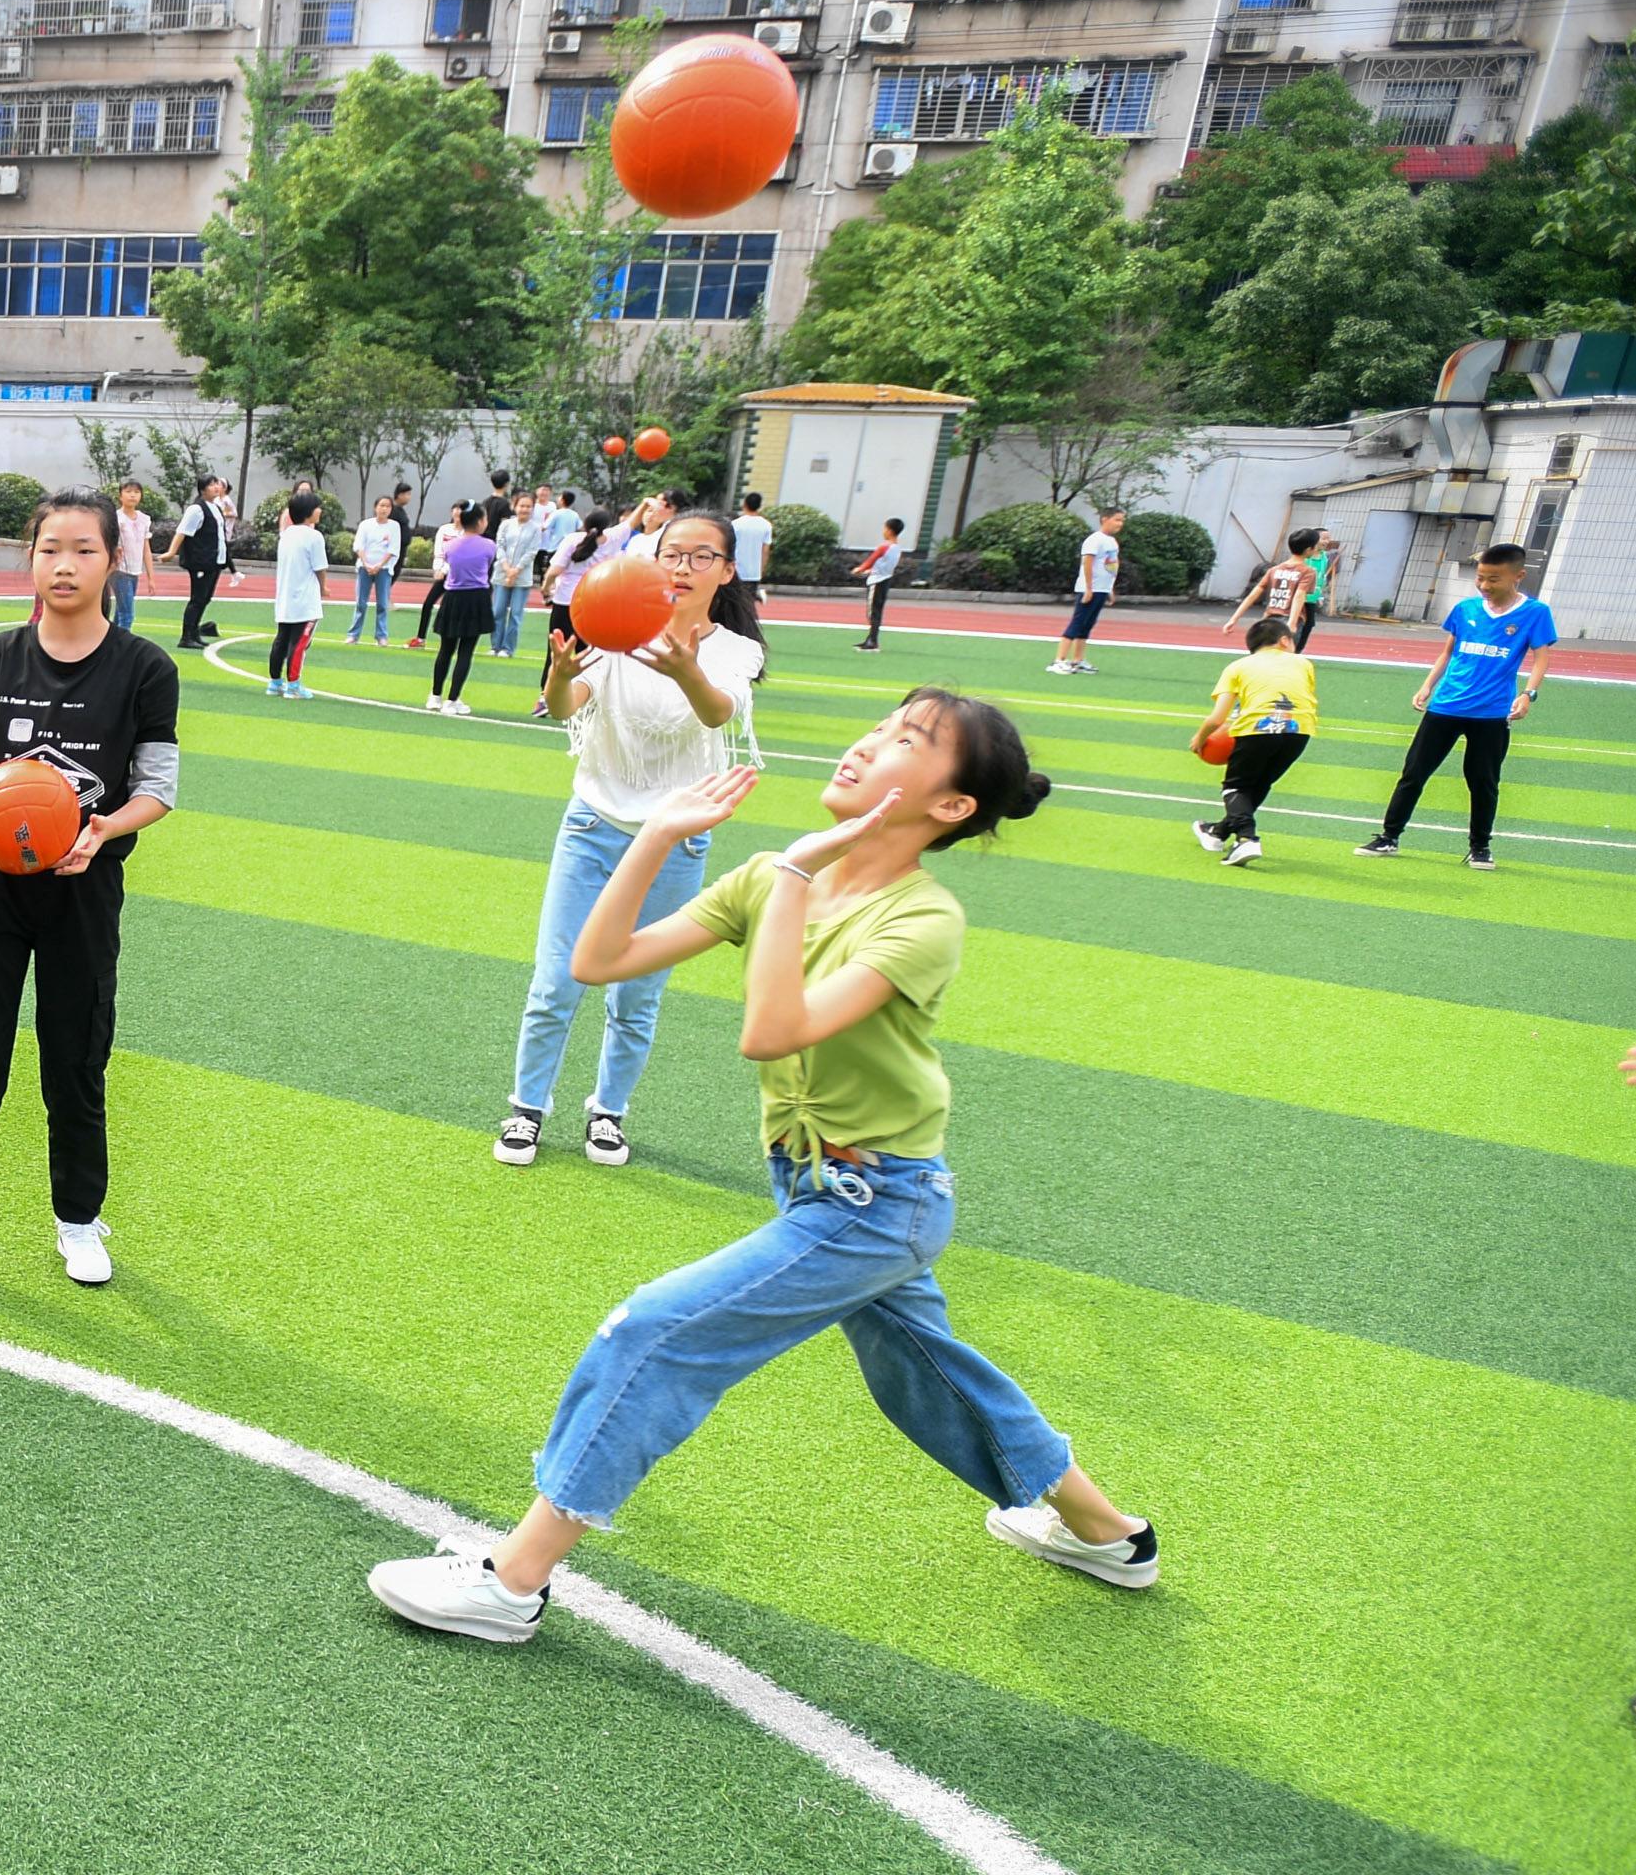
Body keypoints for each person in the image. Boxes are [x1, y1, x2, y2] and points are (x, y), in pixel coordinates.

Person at [369, 692, 1160, 1644]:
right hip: (821, 1184)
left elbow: (770, 1032)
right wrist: (658, 835)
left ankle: (513, 1581)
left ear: (951, 808)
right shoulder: (774, 877)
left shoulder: (922, 917)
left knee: (655, 1332)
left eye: (907, 741)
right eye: (878, 726)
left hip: (877, 1200)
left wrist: (789, 876)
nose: (867, 745)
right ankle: (1112, 1536)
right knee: (934, 1374)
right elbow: (599, 958)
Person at [0, 488, 180, 1311]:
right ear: (29, 560)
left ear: (113, 561)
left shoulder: (144, 669)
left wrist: (100, 832)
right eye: (48, 548)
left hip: (83, 894)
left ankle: (78, 1220)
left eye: (83, 549)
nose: (63, 564)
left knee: (75, 1063)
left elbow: (158, 787)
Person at [499, 512, 766, 1170]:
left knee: (637, 995)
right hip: (593, 828)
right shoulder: (617, 627)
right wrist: (560, 673)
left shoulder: (736, 651)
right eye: (672, 554)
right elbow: (565, 706)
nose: (683, 568)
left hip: (675, 844)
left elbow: (716, 711)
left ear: (727, 572)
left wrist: (685, 671)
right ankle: (527, 1109)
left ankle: (608, 1115)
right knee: (554, 981)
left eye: (702, 557)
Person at [1353, 541, 1556, 872]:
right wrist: (1428, 685)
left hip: (1492, 713)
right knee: (1414, 774)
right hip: (1445, 707)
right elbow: (1449, 651)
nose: (1485, 585)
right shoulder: (1465, 610)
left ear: (1518, 576)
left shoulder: (1535, 613)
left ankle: (1480, 847)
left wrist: (1528, 695)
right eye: (1481, 578)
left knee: (1482, 781)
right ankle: (1389, 837)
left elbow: (1541, 658)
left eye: (1494, 579)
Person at [1191, 617, 1318, 869]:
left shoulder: (1238, 666)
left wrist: (1199, 739)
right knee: (1259, 784)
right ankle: (1218, 832)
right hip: (1300, 729)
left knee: (1234, 787)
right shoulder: (1304, 663)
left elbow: (1217, 718)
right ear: (1284, 641)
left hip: (1257, 728)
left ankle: (1247, 838)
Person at [532, 510, 617, 715]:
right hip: (592, 601)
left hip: (565, 601)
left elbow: (555, 570)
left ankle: (546, 697)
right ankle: (589, 698)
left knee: (557, 650)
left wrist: (546, 588)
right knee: (587, 651)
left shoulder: (573, 540)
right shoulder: (610, 544)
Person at [425, 506, 495, 716]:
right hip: (477, 598)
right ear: (480, 521)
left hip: (453, 598)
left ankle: (435, 696)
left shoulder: (451, 545)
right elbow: (488, 564)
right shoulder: (489, 545)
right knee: (466, 651)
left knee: (445, 649)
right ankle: (452, 700)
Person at [1048, 507, 1122, 674]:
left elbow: (1110, 566)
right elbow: (1087, 563)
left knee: (1087, 625)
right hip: (1090, 588)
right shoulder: (1094, 540)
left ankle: (1078, 660)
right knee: (1077, 623)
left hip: (1102, 589)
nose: (1120, 524)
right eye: (1117, 519)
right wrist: (1088, 588)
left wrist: (1109, 588)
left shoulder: (1112, 542)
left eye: (1121, 520)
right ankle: (1058, 660)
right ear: (1105, 519)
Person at [269, 488, 328, 699]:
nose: (320, 511)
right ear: (308, 512)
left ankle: (275, 682)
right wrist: (323, 588)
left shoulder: (286, 535)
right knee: (299, 643)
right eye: (317, 507)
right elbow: (320, 567)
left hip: (285, 597)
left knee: (282, 639)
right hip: (305, 600)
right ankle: (294, 686)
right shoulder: (314, 537)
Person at [161, 474, 228, 647]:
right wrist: (171, 552)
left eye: (217, 484)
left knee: (205, 598)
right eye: (212, 484)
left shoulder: (216, 508)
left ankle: (194, 633)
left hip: (214, 561)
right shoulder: (196, 509)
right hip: (200, 561)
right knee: (197, 599)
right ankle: (186, 637)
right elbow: (182, 531)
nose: (216, 487)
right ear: (203, 488)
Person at [1225, 528, 1319, 648]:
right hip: (1288, 619)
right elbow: (1299, 596)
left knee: (1265, 652)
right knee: (1286, 657)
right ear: (1308, 549)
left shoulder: (1274, 570)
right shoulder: (1307, 571)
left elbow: (1253, 595)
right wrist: (1292, 621)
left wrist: (1234, 619)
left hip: (1269, 618)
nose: (1316, 549)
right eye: (1315, 546)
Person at [409, 499, 471, 650]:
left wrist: (444, 570)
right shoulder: (444, 529)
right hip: (442, 575)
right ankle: (420, 638)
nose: (458, 512)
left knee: (455, 608)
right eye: (455, 508)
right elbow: (439, 552)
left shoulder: (467, 533)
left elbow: (461, 556)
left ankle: (457, 640)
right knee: (428, 603)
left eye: (461, 509)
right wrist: (438, 569)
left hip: (459, 577)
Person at [489, 493, 540, 658]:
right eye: (521, 505)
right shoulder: (506, 525)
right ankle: (495, 645)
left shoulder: (535, 529)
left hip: (522, 577)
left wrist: (515, 570)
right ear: (514, 506)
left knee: (516, 614)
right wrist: (506, 567)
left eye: (528, 506)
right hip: (501, 574)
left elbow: (532, 552)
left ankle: (508, 648)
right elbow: (500, 545)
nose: (524, 509)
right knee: (497, 611)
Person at [347, 494, 401, 645]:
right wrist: (366, 563)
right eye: (381, 505)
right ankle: (353, 634)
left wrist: (379, 565)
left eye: (387, 506)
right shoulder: (366, 524)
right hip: (365, 568)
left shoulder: (394, 526)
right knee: (361, 603)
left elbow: (393, 548)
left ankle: (381, 636)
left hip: (383, 569)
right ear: (375, 507)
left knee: (382, 604)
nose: (384, 509)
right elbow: (359, 545)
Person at [852, 516, 906, 651]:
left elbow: (871, 560)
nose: (883, 531)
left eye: (885, 528)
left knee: (872, 613)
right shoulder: (897, 548)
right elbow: (884, 565)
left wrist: (860, 569)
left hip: (876, 582)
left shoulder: (884, 547)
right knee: (877, 611)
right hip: (885, 580)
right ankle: (871, 639)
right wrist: (868, 571)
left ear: (890, 530)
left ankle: (872, 641)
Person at [110, 480, 150, 632]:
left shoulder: (144, 519)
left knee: (120, 613)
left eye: (136, 492)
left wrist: (151, 577)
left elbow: (146, 547)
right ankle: (123, 649)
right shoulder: (116, 518)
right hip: (119, 570)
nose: (132, 495)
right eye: (128, 491)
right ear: (120, 496)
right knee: (127, 615)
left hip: (134, 570)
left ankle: (111, 643)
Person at [730, 491, 773, 597]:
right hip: (754, 573)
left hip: (736, 570)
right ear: (759, 506)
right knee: (748, 603)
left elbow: (729, 547)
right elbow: (765, 550)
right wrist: (761, 570)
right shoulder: (766, 525)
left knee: (734, 601)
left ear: (744, 504)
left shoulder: (735, 524)